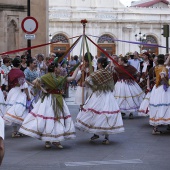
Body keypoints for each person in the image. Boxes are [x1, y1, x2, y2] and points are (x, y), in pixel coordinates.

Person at [19, 63, 80, 149]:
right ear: (55, 69)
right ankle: (49, 140)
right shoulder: (47, 77)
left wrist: (77, 67)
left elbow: (72, 78)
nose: (60, 68)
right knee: (49, 119)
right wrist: (42, 89)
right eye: (58, 67)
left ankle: (55, 140)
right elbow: (34, 82)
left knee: (55, 119)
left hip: (57, 99)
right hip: (49, 100)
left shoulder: (59, 77)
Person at [75, 57, 124, 144]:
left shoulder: (97, 73)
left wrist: (91, 86)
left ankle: (96, 133)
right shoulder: (108, 73)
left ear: (100, 64)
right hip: (108, 95)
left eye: (98, 63)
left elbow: (87, 81)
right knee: (105, 114)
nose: (97, 64)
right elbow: (111, 84)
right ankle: (106, 137)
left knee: (95, 113)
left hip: (98, 95)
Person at [3, 58, 30, 137]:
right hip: (19, 92)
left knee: (13, 111)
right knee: (20, 110)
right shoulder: (20, 72)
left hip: (11, 92)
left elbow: (6, 85)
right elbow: (23, 85)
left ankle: (15, 131)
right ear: (19, 64)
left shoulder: (9, 72)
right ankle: (21, 130)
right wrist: (28, 95)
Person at [149, 54, 170, 134]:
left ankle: (155, 128)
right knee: (165, 105)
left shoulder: (156, 67)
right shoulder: (163, 68)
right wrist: (167, 83)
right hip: (162, 88)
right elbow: (162, 77)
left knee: (157, 105)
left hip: (156, 88)